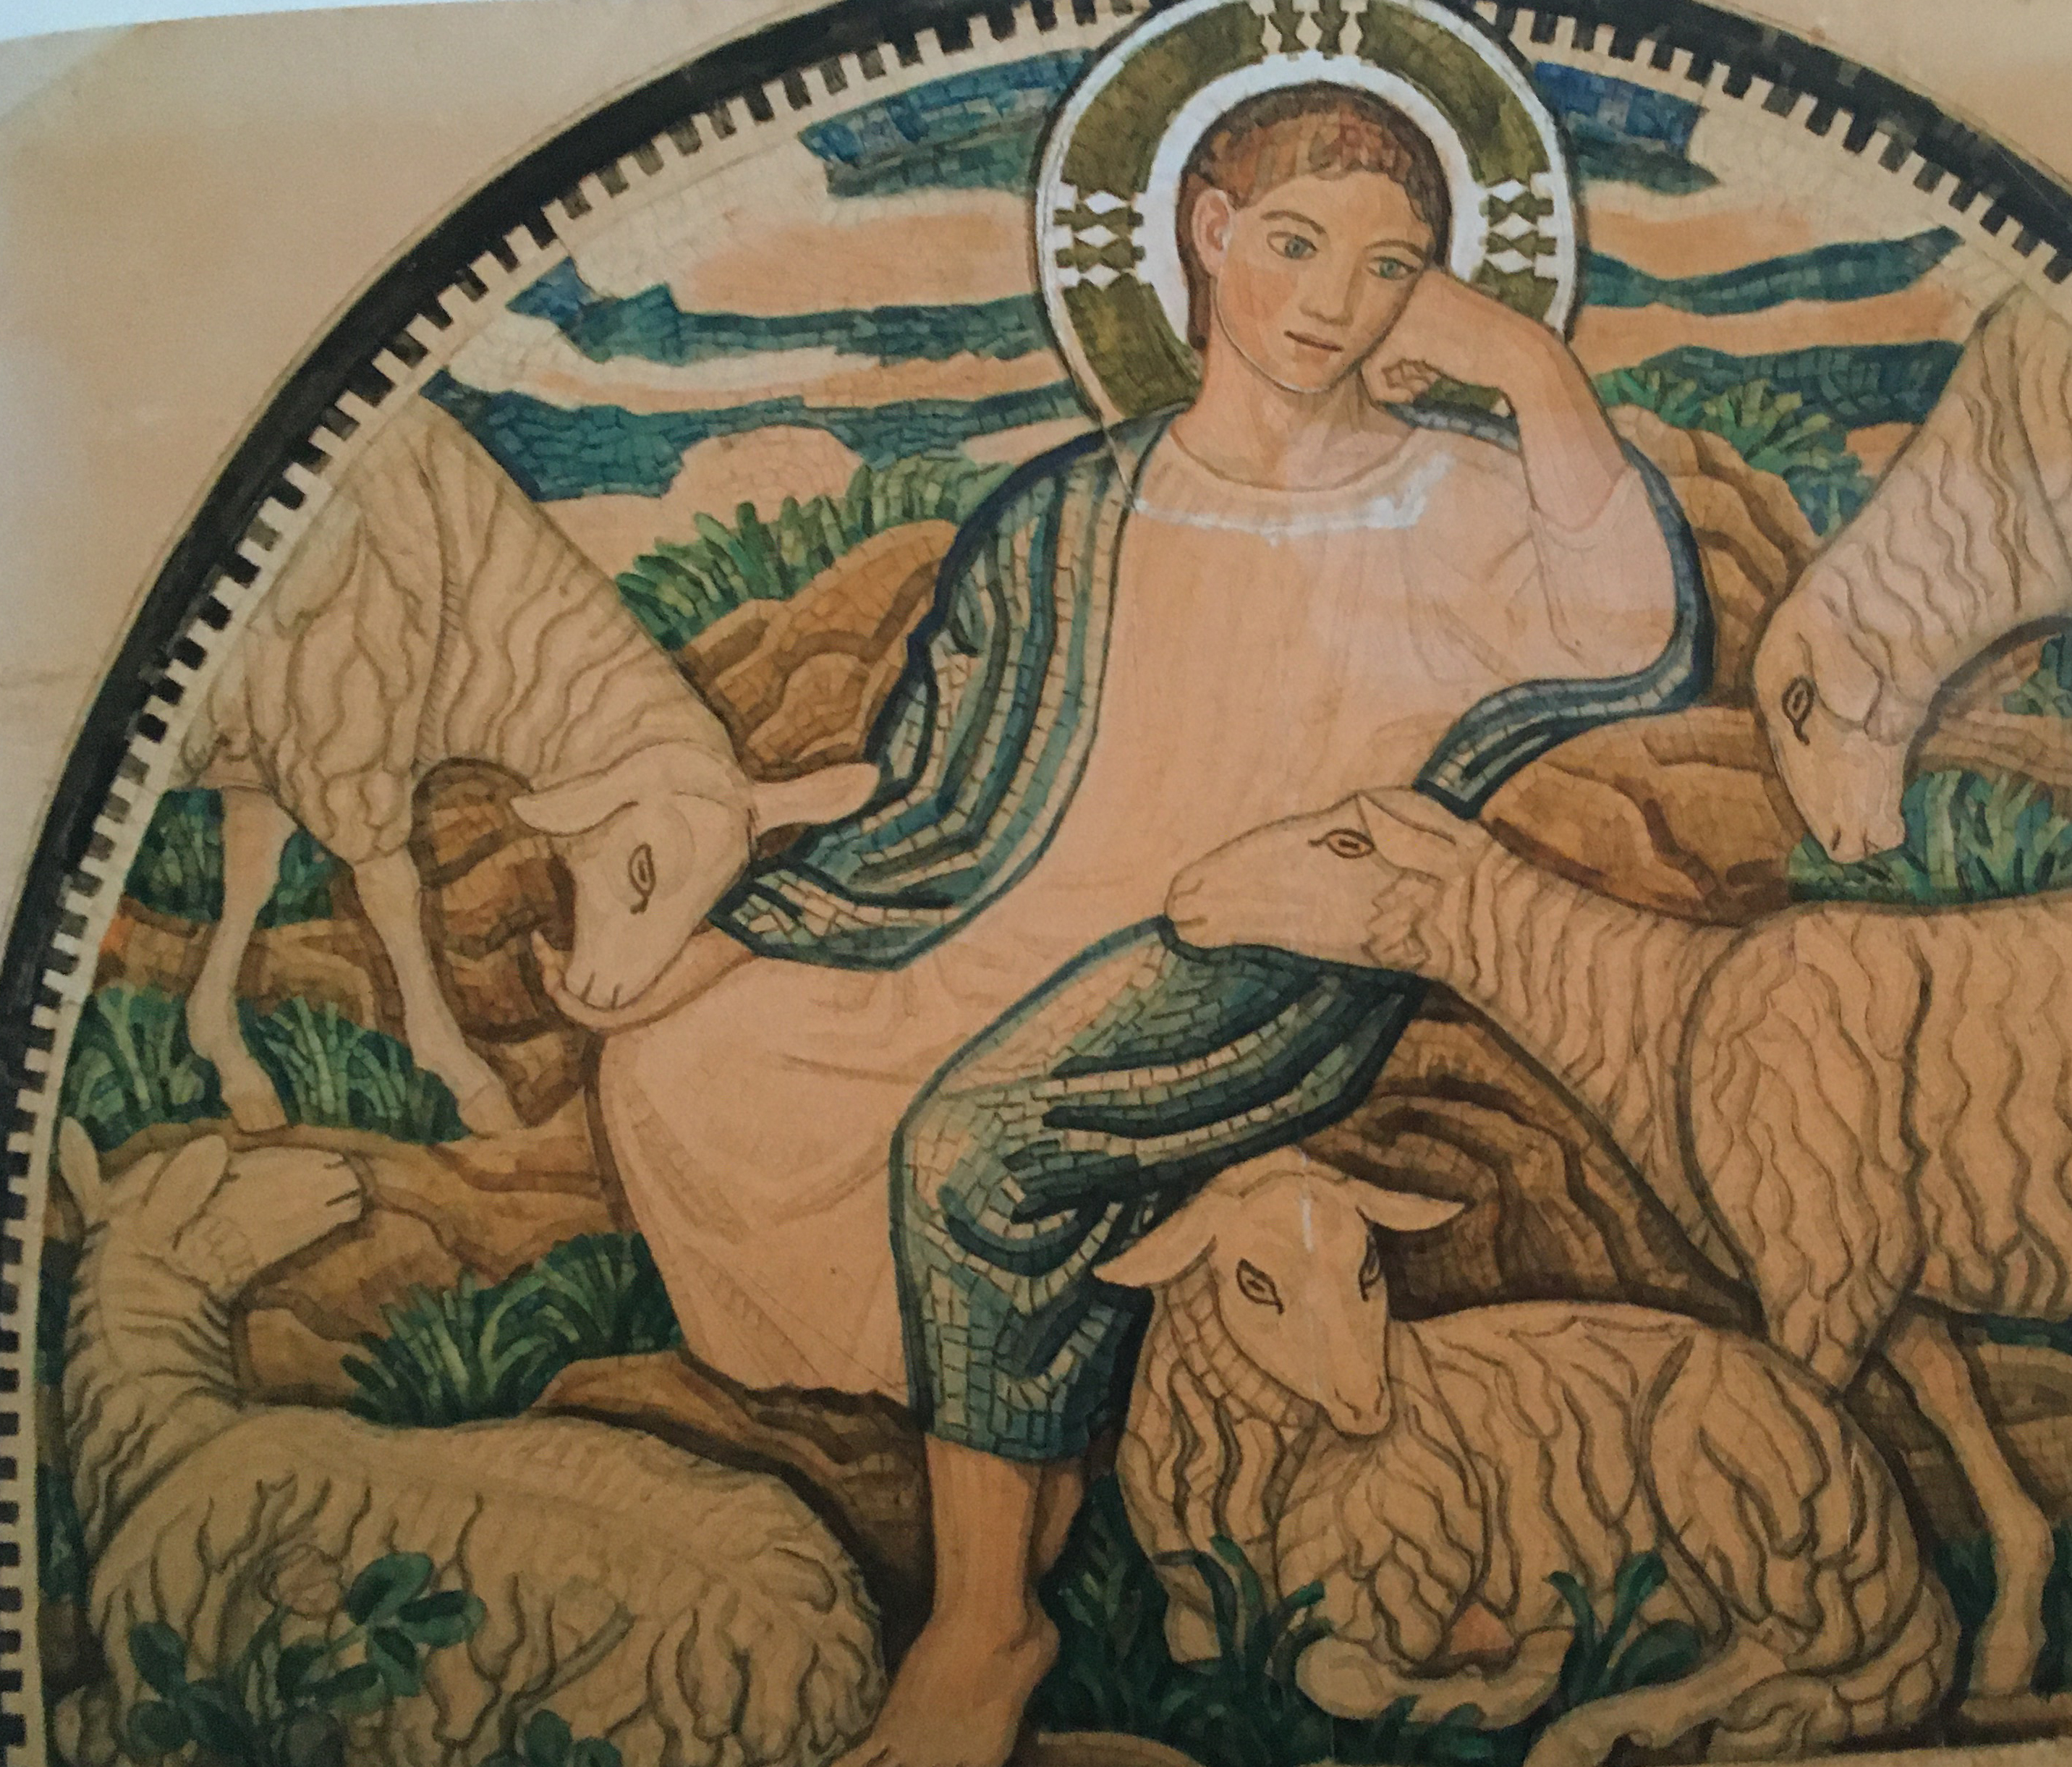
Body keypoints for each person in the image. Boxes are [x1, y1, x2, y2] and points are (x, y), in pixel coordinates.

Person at [543, 82, 1710, 1767]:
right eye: (1295, 243)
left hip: (1265, 943)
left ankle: (986, 1627)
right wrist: (723, 942)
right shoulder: (1069, 511)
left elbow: (1631, 633)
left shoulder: (1455, 497)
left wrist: (1530, 367)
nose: (1333, 301)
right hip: (1004, 925)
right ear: (1209, 232)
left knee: (983, 1148)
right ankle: (1031, 1451)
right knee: (689, 1055)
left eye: (1390, 268)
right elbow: (935, 797)